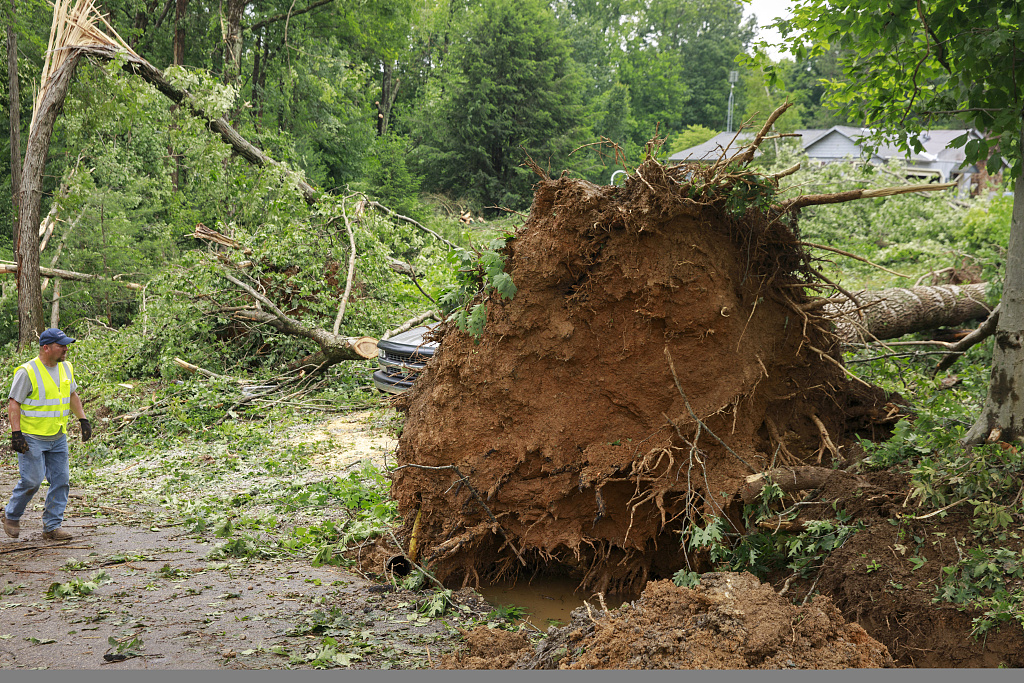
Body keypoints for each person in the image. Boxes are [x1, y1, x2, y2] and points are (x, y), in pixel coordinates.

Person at [1, 328, 91, 540]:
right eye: (62, 346)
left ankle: (51, 527)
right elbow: (14, 403)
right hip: (32, 437)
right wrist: (16, 434)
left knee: (61, 480)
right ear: (46, 348)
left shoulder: (66, 368)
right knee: (32, 481)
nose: (66, 349)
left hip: (57, 435)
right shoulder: (28, 371)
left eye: (66, 345)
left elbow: (72, 395)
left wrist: (83, 419)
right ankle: (11, 515)